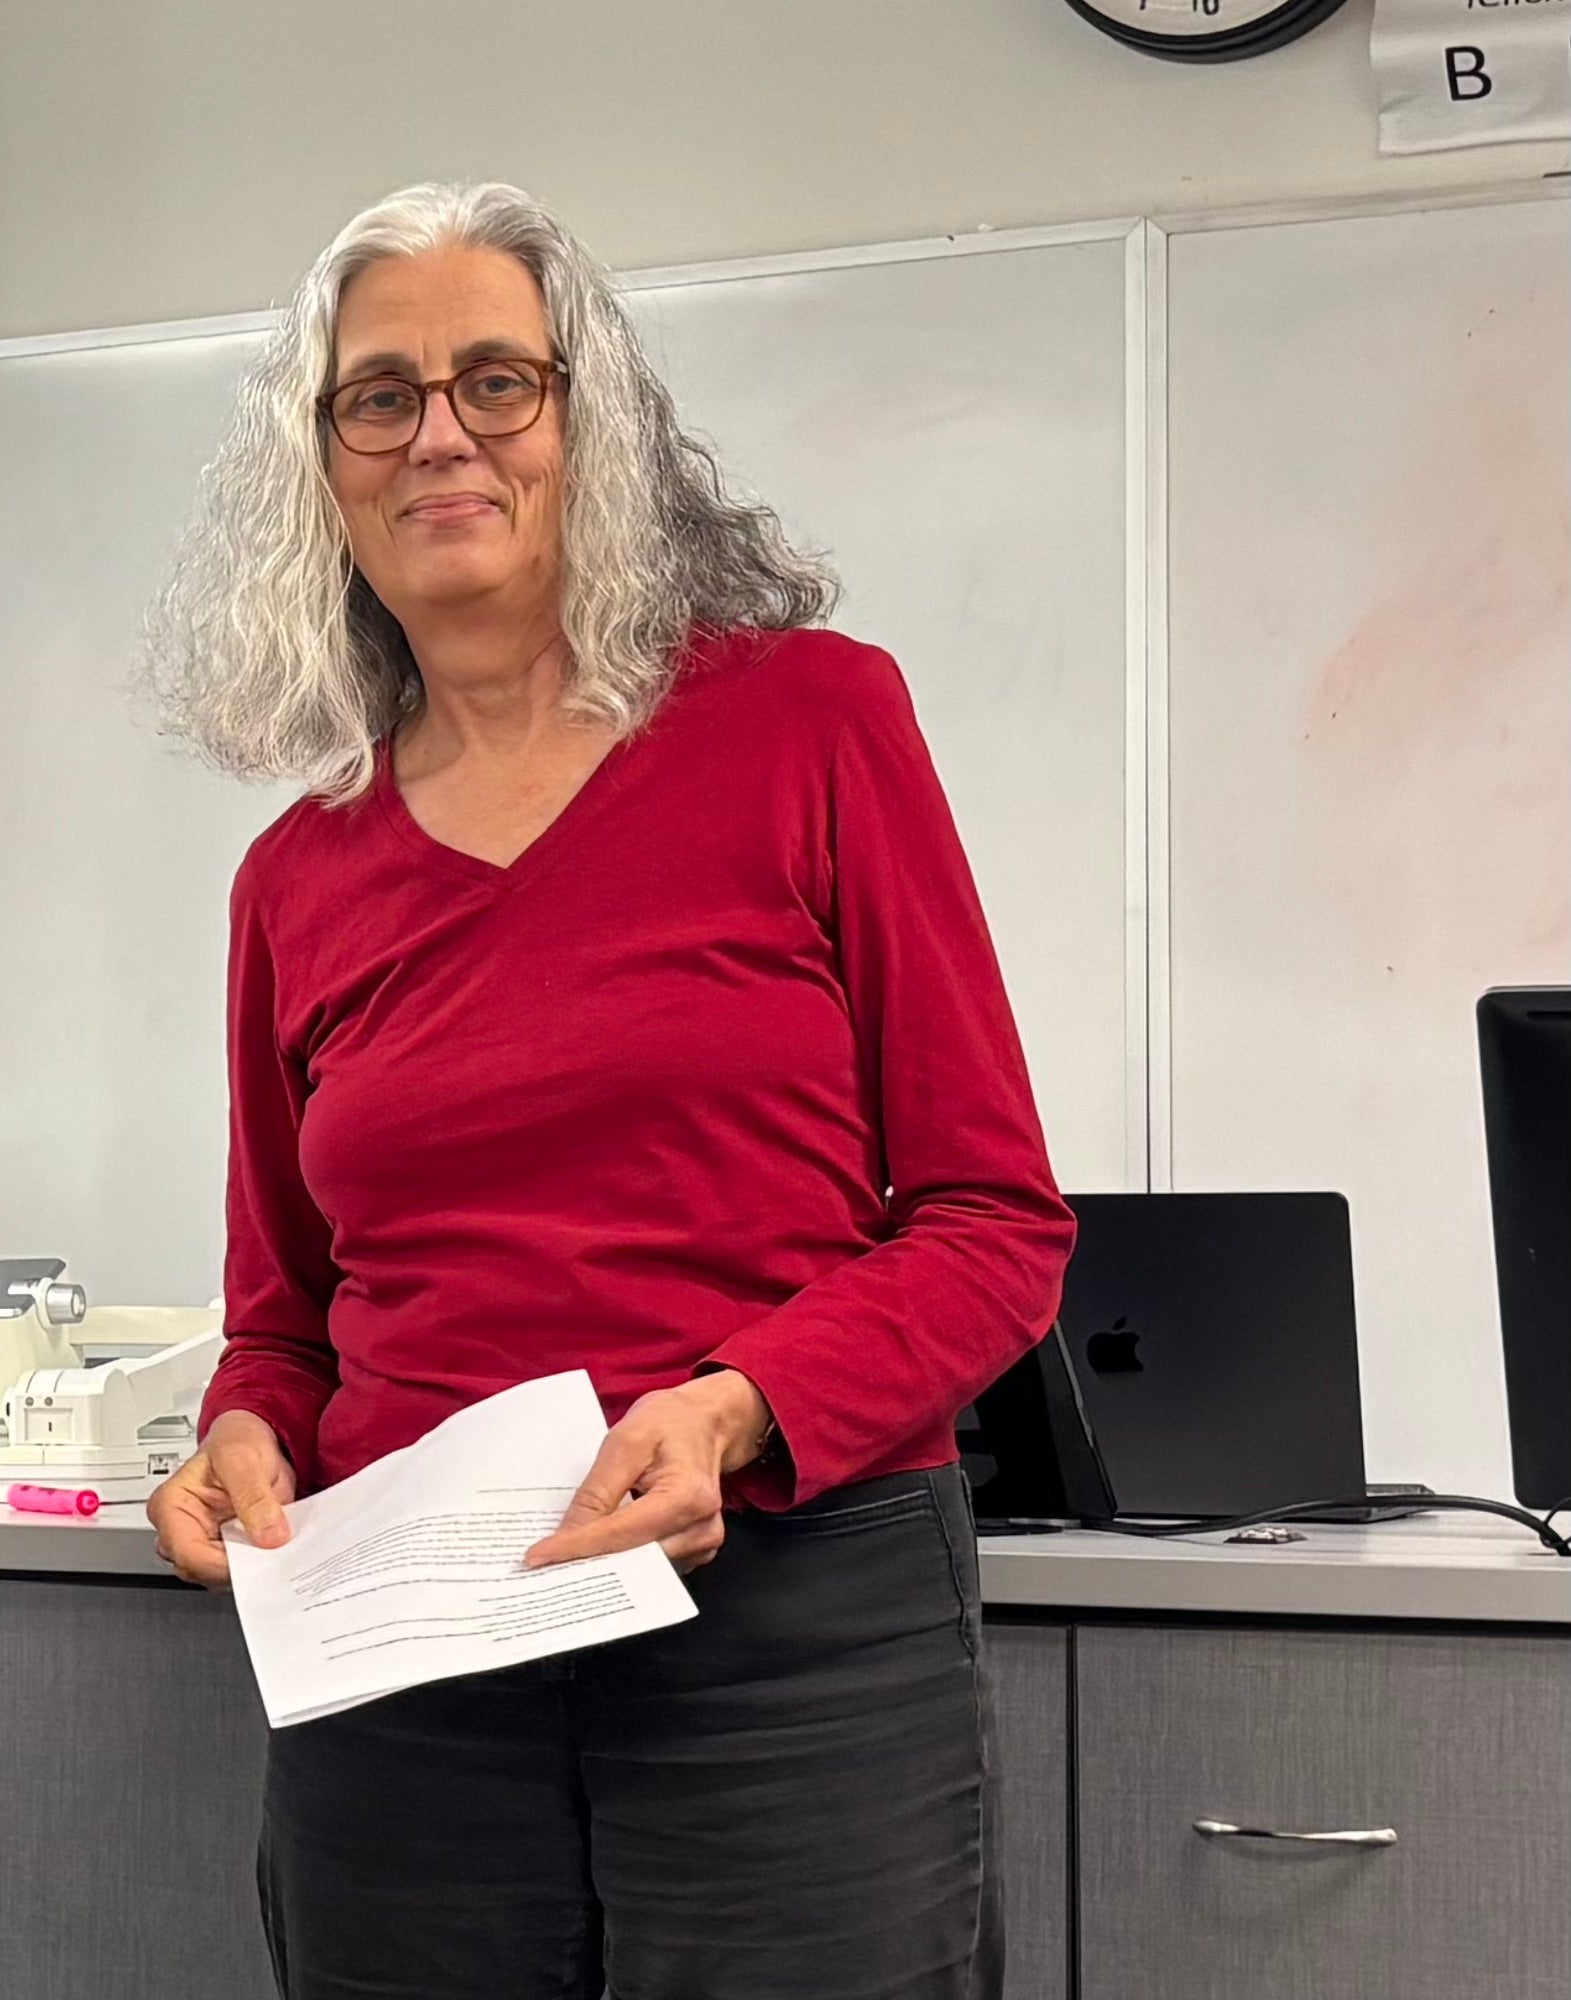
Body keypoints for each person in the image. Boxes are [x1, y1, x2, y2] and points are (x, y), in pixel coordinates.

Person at [141, 183, 1074, 2000]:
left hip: (794, 1625)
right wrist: (240, 1438)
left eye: (500, 380)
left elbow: (993, 1225)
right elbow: (286, 1325)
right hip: (407, 1663)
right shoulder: (295, 874)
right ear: (320, 467)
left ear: (593, 425)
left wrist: (735, 1407)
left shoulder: (812, 723)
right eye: (378, 396)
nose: (441, 436)